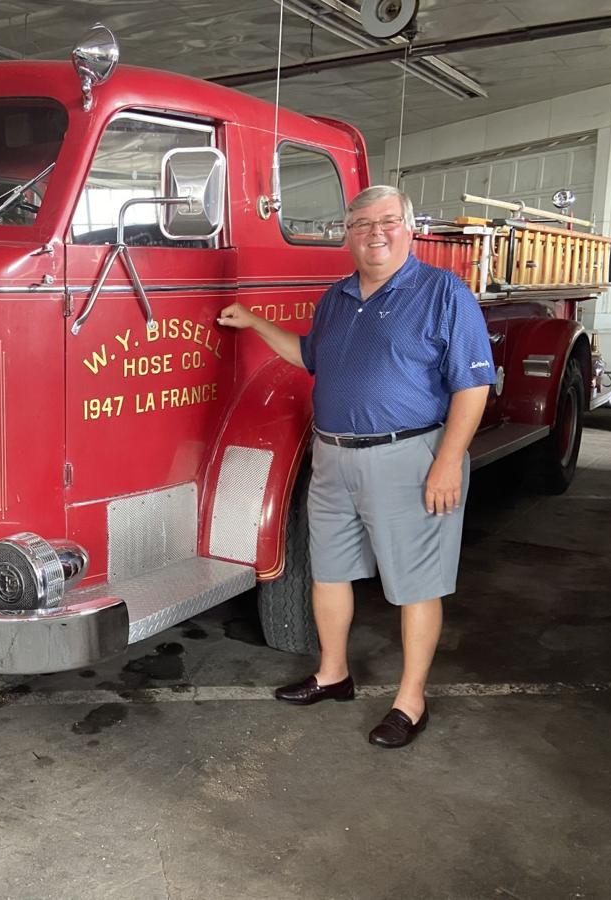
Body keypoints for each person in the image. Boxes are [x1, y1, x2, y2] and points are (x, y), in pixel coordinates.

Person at [217, 185, 495, 748]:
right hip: (333, 457)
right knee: (329, 572)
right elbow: (309, 357)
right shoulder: (337, 297)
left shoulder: (444, 292)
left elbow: (474, 386)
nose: (375, 232)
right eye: (361, 223)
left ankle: (410, 702)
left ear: (409, 228)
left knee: (417, 585)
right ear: (347, 234)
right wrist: (254, 323)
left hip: (410, 458)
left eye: (388, 221)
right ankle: (333, 673)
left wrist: (447, 462)